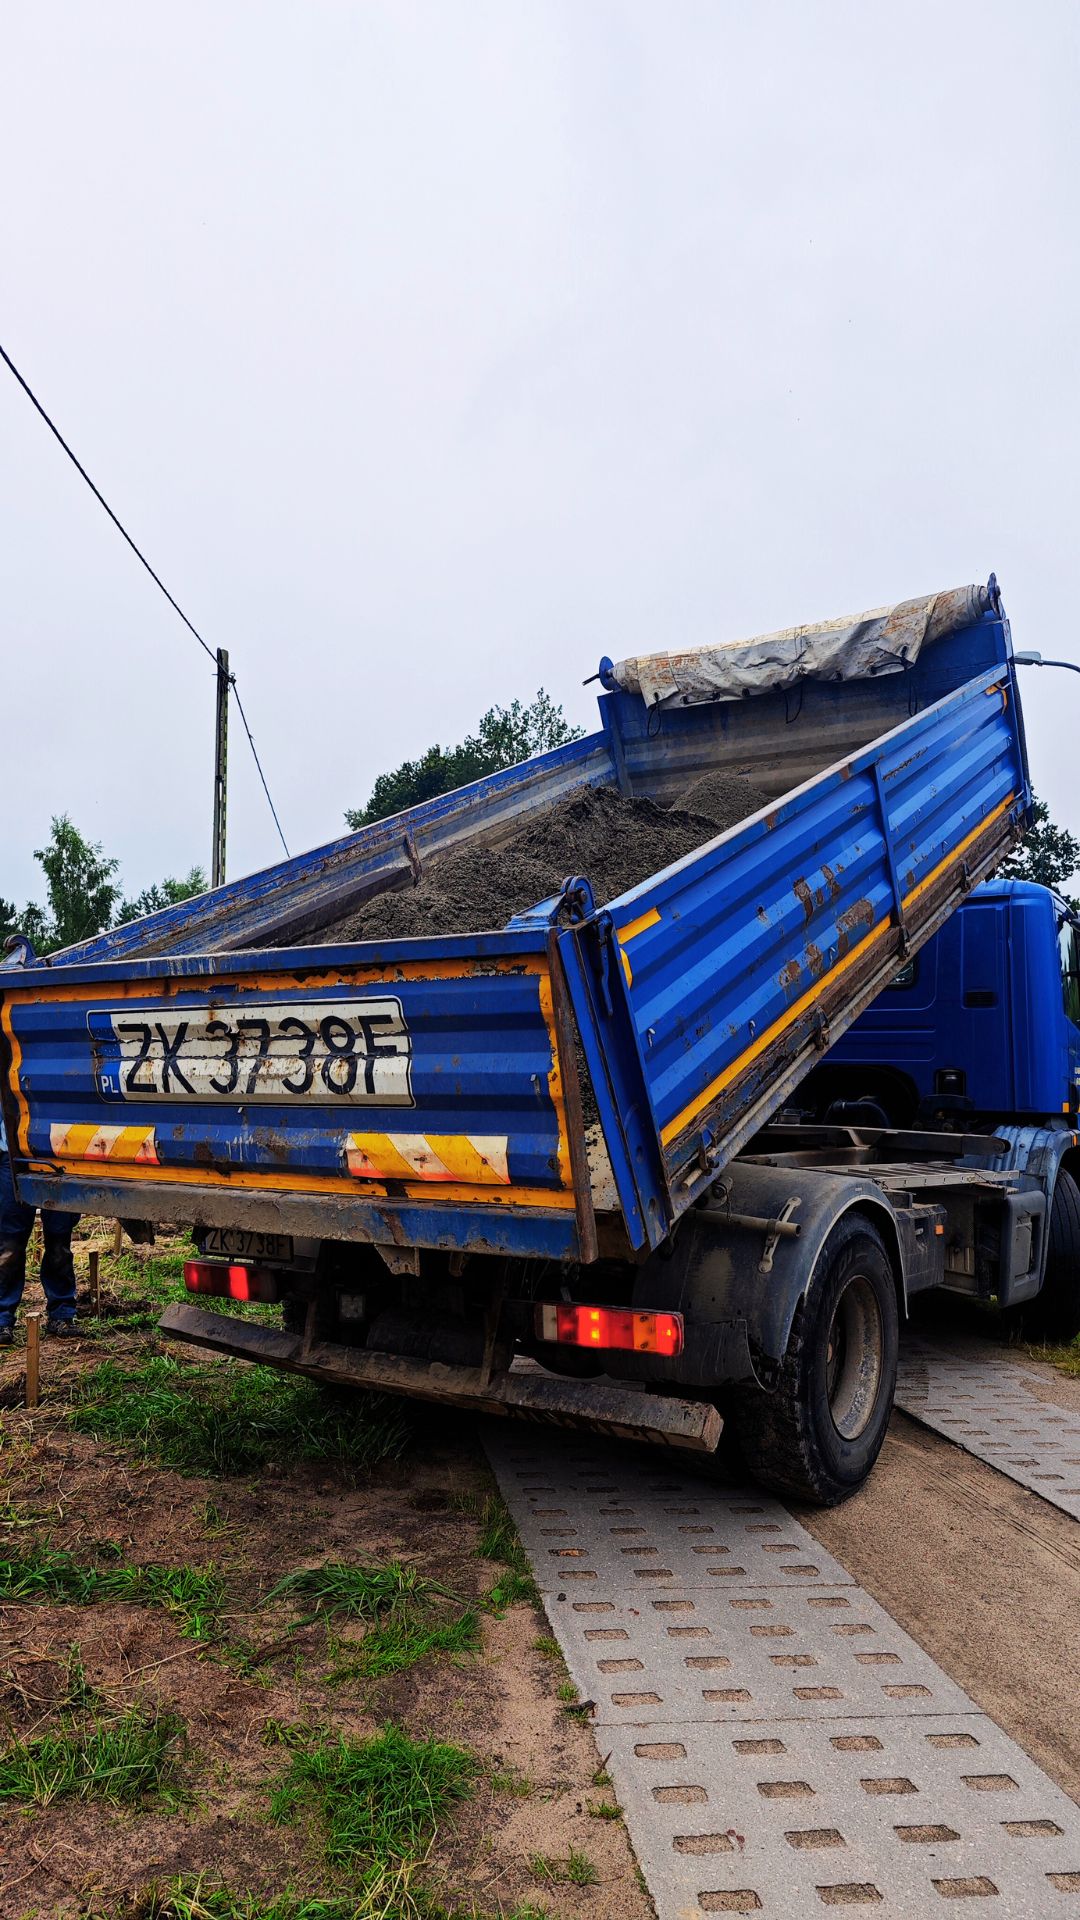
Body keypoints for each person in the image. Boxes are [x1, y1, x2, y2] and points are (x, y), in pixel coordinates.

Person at [0, 1116, 80, 1344]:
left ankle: (62, 1314)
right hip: (13, 1158)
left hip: (58, 1154)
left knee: (59, 1240)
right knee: (10, 1244)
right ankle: (3, 1319)